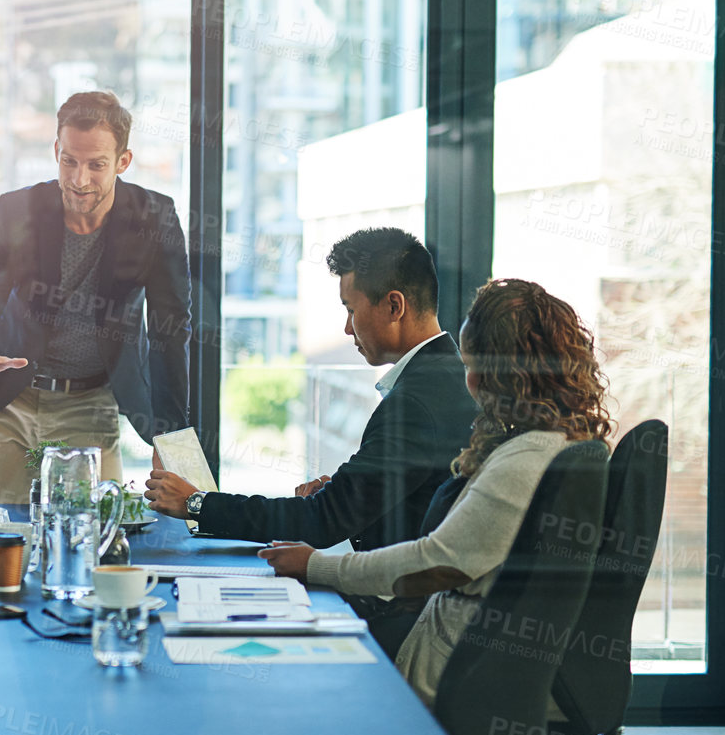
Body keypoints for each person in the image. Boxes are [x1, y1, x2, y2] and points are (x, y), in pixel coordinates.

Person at [260, 278, 613, 711]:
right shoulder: (550, 441)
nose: (467, 380)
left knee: (292, 660)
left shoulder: (523, 459)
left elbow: (435, 562)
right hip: (465, 645)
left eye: (469, 363)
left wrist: (317, 565)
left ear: (496, 370)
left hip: (449, 664)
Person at [143, 228, 475, 655]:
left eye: (351, 310)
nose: (347, 327)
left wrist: (197, 503)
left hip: (405, 620)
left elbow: (324, 521)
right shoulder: (443, 377)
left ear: (394, 305)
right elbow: (407, 504)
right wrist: (342, 494)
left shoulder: (417, 400)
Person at [0, 91, 191, 504]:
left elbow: (172, 328)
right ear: (57, 149)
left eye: (97, 165)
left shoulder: (154, 216)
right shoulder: (17, 209)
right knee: (11, 538)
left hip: (89, 403)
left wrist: (171, 435)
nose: (79, 179)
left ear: (123, 162)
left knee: (98, 535)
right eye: (69, 161)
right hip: (8, 401)